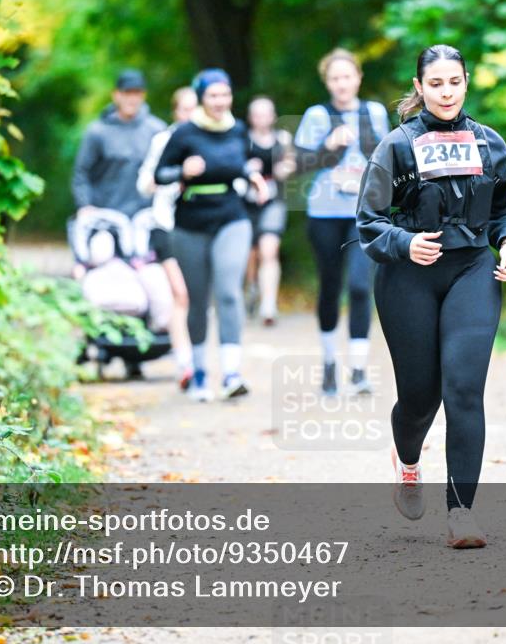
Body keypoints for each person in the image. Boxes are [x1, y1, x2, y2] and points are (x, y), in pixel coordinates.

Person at [356, 44, 506, 548]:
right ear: (420, 87)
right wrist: (405, 243)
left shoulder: (489, 142)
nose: (446, 92)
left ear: (466, 82)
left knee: (464, 389)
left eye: (454, 82)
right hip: (409, 276)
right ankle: (407, 461)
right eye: (436, 84)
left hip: (472, 269)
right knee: (420, 397)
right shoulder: (397, 146)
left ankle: (461, 513)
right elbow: (368, 222)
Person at [154, 69, 269, 402]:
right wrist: (182, 171)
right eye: (213, 96)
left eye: (225, 95)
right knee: (198, 298)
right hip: (190, 221)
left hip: (231, 216)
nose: (220, 101)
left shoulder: (238, 129)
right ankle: (200, 371)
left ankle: (232, 373)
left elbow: (243, 163)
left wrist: (252, 177)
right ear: (201, 98)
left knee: (229, 291)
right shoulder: (184, 133)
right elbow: (160, 174)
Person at [294, 48, 390, 396]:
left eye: (347, 76)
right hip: (324, 213)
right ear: (327, 82)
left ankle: (359, 370)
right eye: (335, 78)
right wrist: (327, 146)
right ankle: (330, 364)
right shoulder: (317, 115)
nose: (341, 84)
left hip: (364, 213)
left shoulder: (374, 112)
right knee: (330, 287)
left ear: (358, 78)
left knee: (361, 286)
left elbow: (386, 158)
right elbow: (299, 163)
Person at [138, 87, 199, 390]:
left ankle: (198, 358)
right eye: (184, 109)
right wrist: (175, 177)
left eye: (194, 109)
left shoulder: (208, 140)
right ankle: (185, 363)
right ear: (176, 111)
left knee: (197, 297)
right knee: (180, 293)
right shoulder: (163, 140)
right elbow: (144, 184)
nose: (190, 115)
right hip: (165, 224)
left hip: (199, 225)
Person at [72, 69, 166, 219]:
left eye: (137, 93)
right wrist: (84, 205)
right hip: (105, 215)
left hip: (145, 216)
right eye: (127, 93)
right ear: (116, 95)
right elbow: (81, 172)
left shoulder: (157, 130)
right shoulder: (97, 131)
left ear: (143, 96)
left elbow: (167, 170)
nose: (132, 99)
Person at [244, 96, 295, 326]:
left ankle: (268, 305)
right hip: (246, 202)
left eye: (266, 114)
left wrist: (284, 168)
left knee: (269, 250)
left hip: (274, 201)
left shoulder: (282, 139)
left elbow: (291, 164)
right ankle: (252, 286)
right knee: (250, 255)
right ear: (251, 118)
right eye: (257, 114)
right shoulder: (242, 139)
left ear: (273, 116)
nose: (262, 119)